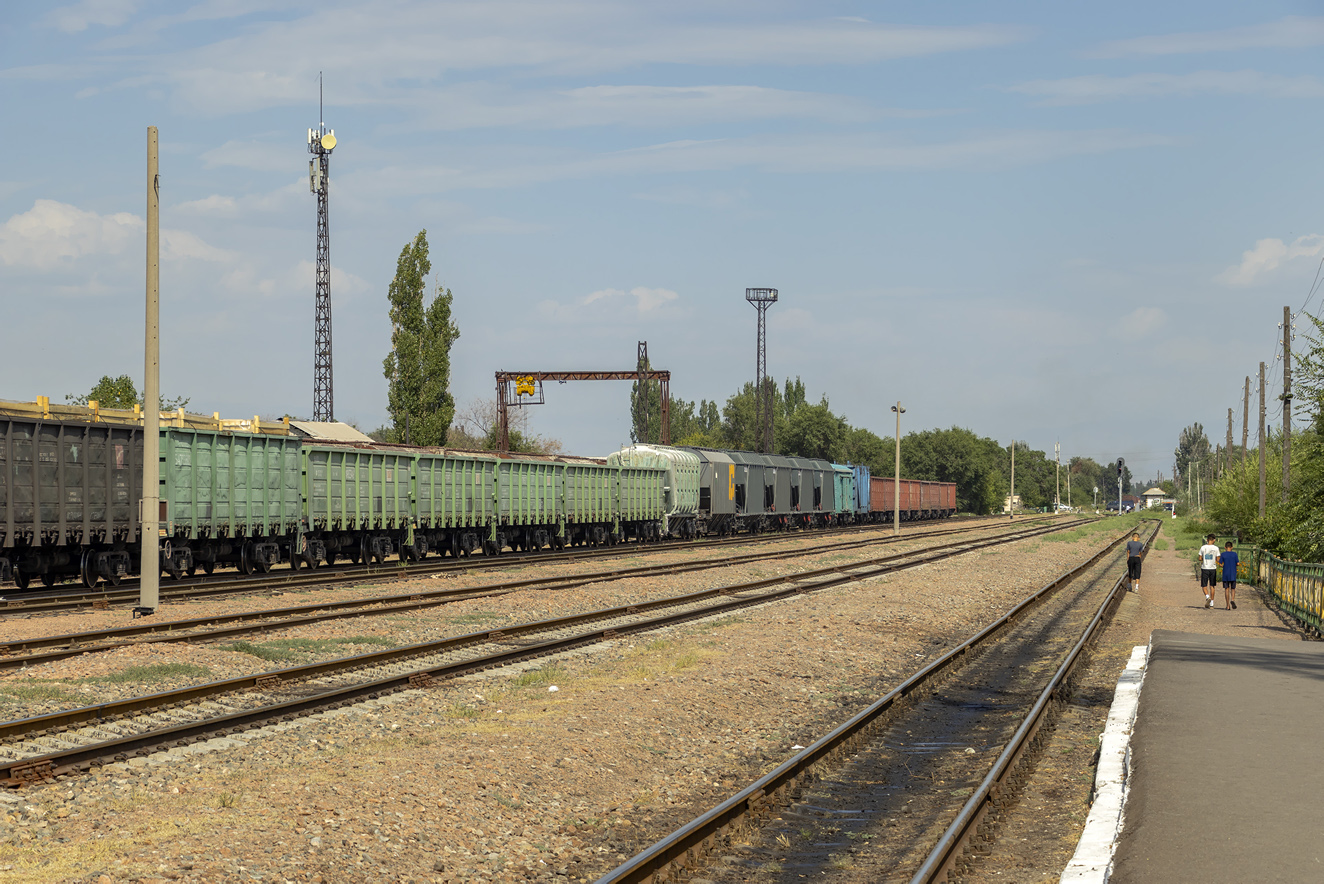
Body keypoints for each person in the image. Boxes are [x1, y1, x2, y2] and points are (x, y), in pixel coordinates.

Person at [1197, 534, 1221, 609]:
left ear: (1207, 540)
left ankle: (1207, 597)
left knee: (1204, 585)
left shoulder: (1203, 547)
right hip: (1213, 568)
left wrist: (1204, 558)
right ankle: (1212, 604)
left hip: (1205, 568)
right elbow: (1218, 559)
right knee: (1212, 586)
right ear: (1214, 540)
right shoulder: (1216, 548)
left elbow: (1200, 558)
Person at [1219, 541, 1239, 610]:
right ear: (1232, 547)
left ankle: (1227, 606)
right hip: (1233, 573)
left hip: (1226, 574)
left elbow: (1220, 563)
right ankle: (1232, 599)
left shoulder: (1223, 554)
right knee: (1233, 589)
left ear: (1225, 547)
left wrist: (1223, 566)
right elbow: (1238, 563)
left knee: (1226, 589)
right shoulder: (1234, 554)